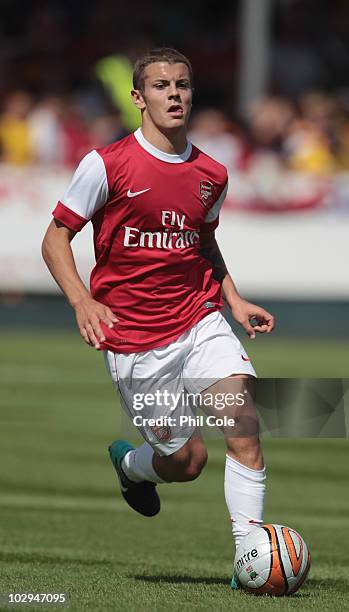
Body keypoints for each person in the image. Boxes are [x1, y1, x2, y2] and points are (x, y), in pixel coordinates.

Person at [41, 47, 275, 589]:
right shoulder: (107, 164)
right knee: (186, 462)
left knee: (242, 426)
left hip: (199, 320)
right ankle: (131, 468)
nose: (174, 94)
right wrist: (82, 300)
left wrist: (233, 300)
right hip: (135, 343)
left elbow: (203, 244)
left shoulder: (211, 173)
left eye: (183, 85)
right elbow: (56, 238)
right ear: (138, 97)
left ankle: (249, 558)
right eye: (162, 85)